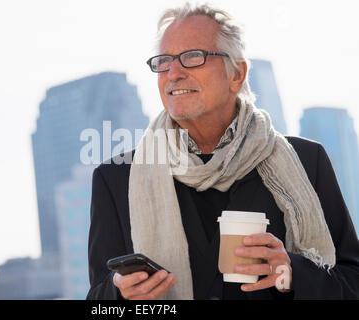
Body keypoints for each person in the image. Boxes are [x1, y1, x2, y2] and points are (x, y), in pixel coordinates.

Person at [86, 3, 359, 300]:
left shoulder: (306, 161)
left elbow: (352, 283)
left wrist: (292, 273)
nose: (173, 73)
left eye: (193, 56)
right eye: (164, 61)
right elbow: (99, 301)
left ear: (236, 74)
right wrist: (119, 294)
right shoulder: (116, 179)